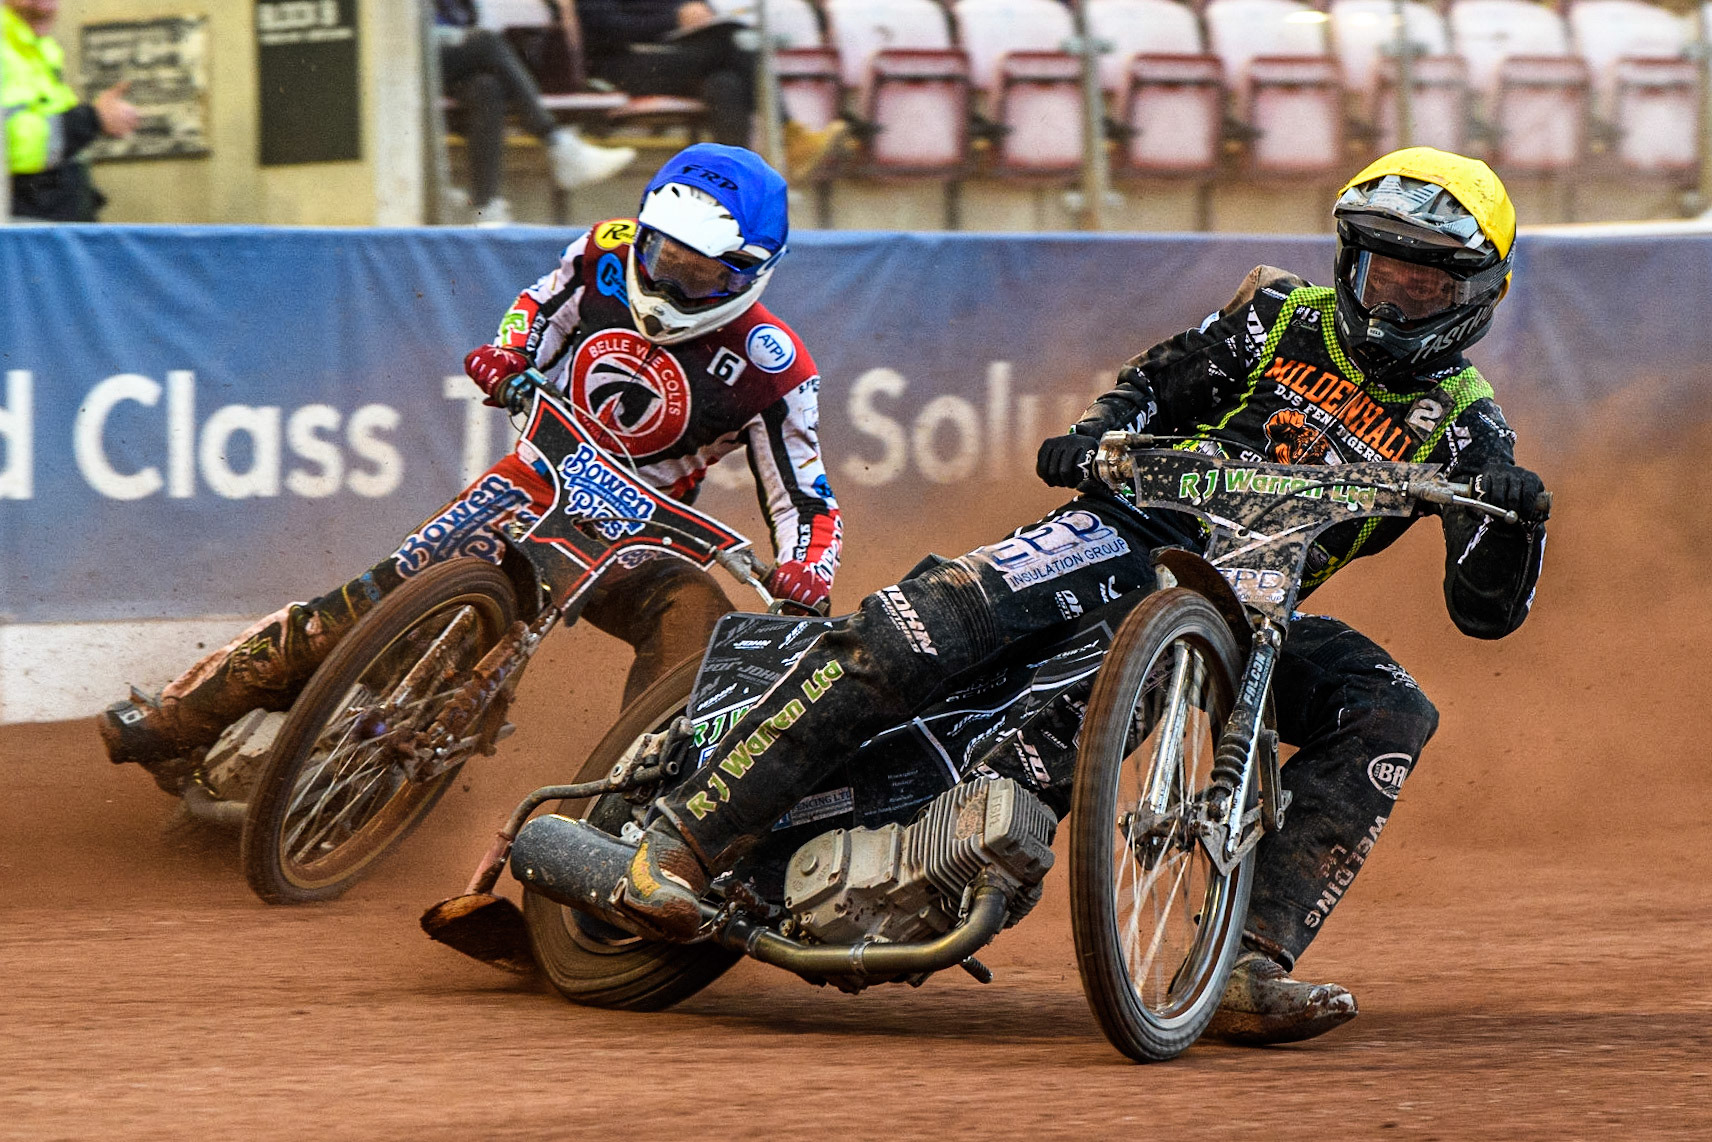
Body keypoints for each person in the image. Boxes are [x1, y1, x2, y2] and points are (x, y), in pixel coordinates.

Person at [579, 147, 1550, 1046]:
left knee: (1390, 707)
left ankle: (1246, 960)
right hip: (1123, 533)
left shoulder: (1463, 425)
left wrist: (1513, 523)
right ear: (1351, 262)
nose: (1399, 296)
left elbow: (1485, 610)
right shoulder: (1277, 317)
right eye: (1386, 271)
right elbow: (1151, 388)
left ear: (1475, 297)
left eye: (1426, 282)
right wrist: (1094, 436)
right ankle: (685, 837)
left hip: (1253, 612)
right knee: (917, 627)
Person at [99, 143, 843, 798]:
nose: (669, 283)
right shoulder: (603, 253)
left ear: (751, 272)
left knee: (698, 620)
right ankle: (178, 715)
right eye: (661, 257)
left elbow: (807, 500)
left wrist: (809, 569)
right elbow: (535, 307)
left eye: (698, 274)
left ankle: (634, 808)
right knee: (368, 601)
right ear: (642, 231)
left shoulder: (773, 367)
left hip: (637, 536)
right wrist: (508, 355)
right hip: (528, 483)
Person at [579, 0, 845, 180]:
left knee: (726, 83)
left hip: (678, 56)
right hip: (621, 65)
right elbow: (603, 28)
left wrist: (700, 15)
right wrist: (674, 19)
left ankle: (729, 183)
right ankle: (788, 133)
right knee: (733, 43)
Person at [436, 0, 635, 224]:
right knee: (486, 42)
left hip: (449, 52)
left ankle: (485, 207)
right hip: (411, 48)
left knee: (486, 87)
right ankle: (557, 143)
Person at [2, 0, 139, 221]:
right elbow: (9, 145)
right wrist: (93, 119)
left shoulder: (42, 48)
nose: (45, 7)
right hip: (26, 236)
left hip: (56, 228)